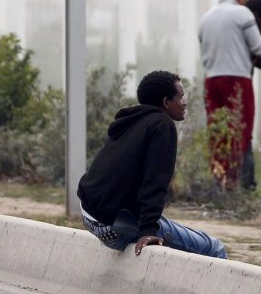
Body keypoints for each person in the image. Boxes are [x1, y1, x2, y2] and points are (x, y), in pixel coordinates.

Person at [78, 70, 227, 259]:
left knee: (175, 233)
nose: (185, 102)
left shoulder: (131, 122)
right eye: (181, 97)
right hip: (115, 224)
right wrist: (148, 231)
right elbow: (155, 183)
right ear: (166, 102)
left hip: (91, 218)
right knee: (214, 248)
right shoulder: (162, 125)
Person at [198, 0, 261, 190]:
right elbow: (260, 48)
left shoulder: (206, 17)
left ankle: (218, 179)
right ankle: (236, 182)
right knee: (240, 131)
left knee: (217, 131)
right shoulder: (242, 14)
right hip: (238, 79)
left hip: (211, 79)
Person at [240, 0, 261, 191]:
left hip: (242, 83)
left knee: (243, 136)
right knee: (245, 137)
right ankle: (246, 183)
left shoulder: (247, 25)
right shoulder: (248, 24)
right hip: (241, 82)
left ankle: (245, 183)